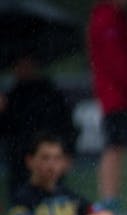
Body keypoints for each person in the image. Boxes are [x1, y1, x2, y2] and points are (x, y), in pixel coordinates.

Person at [87, 0, 127, 213]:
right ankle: (109, 201)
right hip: (117, 97)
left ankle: (116, 200)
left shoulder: (119, 18)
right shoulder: (105, 20)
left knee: (122, 147)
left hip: (124, 95)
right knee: (115, 146)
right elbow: (116, 62)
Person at [0, 53, 78, 202]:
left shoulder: (50, 94)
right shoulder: (11, 97)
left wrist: (68, 151)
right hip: (19, 161)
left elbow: (67, 126)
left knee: (57, 197)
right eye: (19, 65)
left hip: (46, 148)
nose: (23, 69)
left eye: (27, 64)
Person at [3, 132, 113, 215]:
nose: (51, 165)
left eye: (57, 158)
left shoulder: (69, 196)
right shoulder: (23, 196)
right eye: (45, 158)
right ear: (30, 161)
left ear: (64, 162)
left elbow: (105, 214)